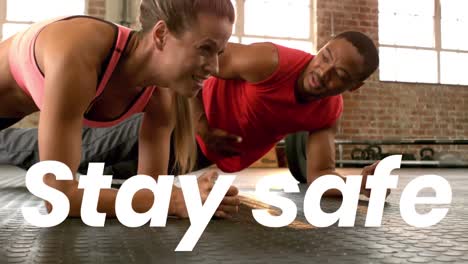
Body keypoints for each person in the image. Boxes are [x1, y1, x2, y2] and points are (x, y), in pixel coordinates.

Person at [1, 31, 381, 199]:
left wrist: (354, 186)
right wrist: (200, 122)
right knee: (74, 156)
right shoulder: (269, 62)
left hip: (192, 158)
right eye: (325, 57)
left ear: (354, 87)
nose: (323, 72)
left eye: (340, 76)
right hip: (177, 122)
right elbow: (199, 63)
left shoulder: (328, 111)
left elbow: (319, 175)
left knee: (108, 179)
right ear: (321, 49)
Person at [0, 0, 240, 219]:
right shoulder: (79, 54)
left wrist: (193, 197)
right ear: (161, 34)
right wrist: (176, 199)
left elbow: (149, 194)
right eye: (205, 49)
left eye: (218, 53)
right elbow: (58, 196)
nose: (215, 67)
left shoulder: (162, 98)